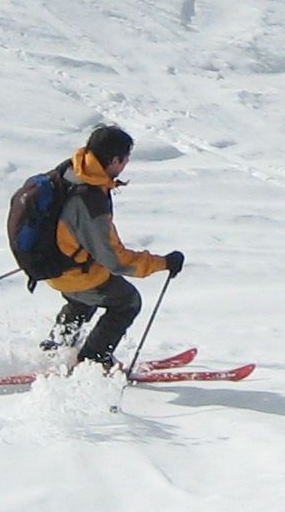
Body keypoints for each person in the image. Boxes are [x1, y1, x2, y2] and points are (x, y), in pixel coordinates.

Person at [43, 123, 184, 371]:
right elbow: (116, 261)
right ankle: (92, 362)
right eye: (126, 159)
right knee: (127, 302)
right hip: (72, 272)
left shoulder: (71, 170)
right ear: (115, 160)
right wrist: (163, 263)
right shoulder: (90, 199)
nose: (126, 164)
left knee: (82, 300)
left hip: (51, 264)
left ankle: (56, 349)